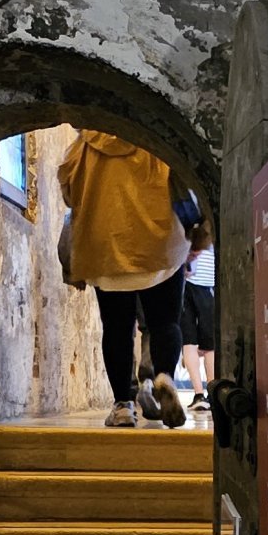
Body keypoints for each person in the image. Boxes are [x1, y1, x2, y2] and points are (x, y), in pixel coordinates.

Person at [58, 132, 190, 428]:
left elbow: (68, 188)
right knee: (165, 322)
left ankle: (122, 406)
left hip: (106, 246)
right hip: (160, 246)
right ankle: (164, 376)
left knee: (117, 328)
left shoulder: (86, 143)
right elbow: (183, 181)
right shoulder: (155, 137)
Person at [177, 199, 216, 412]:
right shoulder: (211, 219)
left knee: (190, 342)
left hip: (186, 281)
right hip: (206, 284)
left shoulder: (187, 216)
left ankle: (200, 394)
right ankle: (211, 394)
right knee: (208, 343)